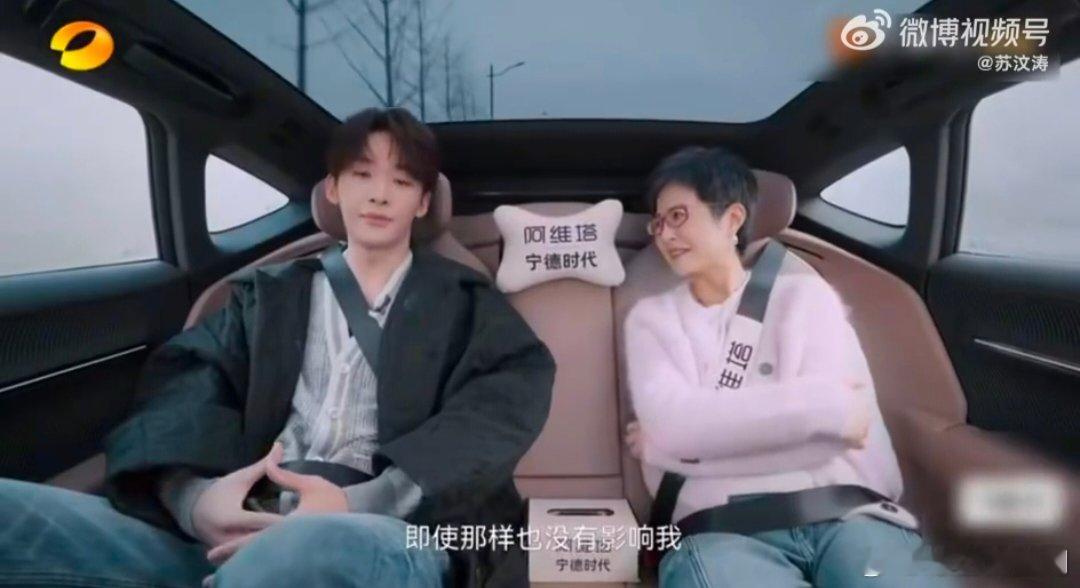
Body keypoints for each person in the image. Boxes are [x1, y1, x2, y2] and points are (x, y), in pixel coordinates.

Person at [0, 107, 556, 587]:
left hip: (383, 534)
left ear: (422, 202)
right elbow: (184, 387)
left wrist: (357, 502)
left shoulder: (468, 303)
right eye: (362, 174)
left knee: (309, 551)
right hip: (234, 527)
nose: (380, 193)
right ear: (333, 189)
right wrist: (195, 501)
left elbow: (501, 405)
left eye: (403, 181)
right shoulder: (263, 297)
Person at [622, 146, 954, 587]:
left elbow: (843, 416)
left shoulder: (805, 296)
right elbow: (672, 427)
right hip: (721, 527)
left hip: (848, 513)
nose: (664, 234)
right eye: (658, 222)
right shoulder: (652, 320)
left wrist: (693, 434)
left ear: (732, 219)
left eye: (678, 216)